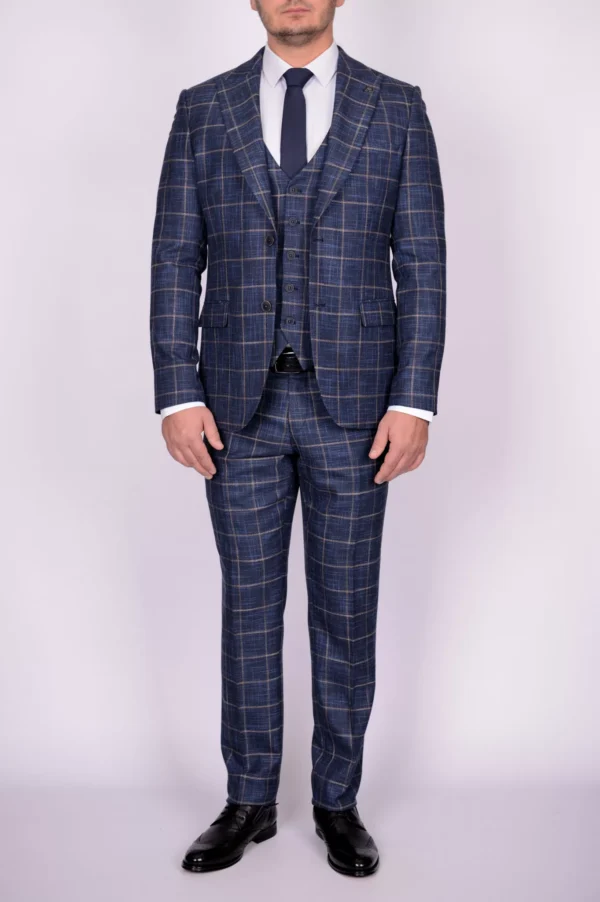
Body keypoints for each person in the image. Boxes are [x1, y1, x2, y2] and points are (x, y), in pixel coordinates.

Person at [149, 0, 446, 878]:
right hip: (235, 406)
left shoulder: (396, 108)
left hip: (357, 408)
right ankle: (249, 799)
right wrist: (176, 392)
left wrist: (415, 401)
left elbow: (423, 262)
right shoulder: (203, 109)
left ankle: (337, 802)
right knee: (248, 608)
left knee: (346, 610)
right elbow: (175, 257)